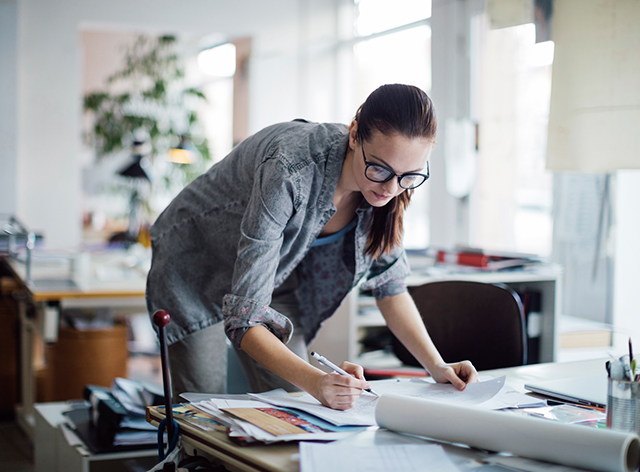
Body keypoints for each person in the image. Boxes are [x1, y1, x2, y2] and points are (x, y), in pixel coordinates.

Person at [146, 83, 478, 410]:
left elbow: (389, 286)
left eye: (409, 175)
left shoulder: (395, 178)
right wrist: (317, 382)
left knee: (299, 403)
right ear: (353, 134)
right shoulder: (290, 169)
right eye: (379, 168)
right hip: (195, 268)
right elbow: (244, 320)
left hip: (277, 273)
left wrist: (436, 366)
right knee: (204, 412)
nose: (391, 187)